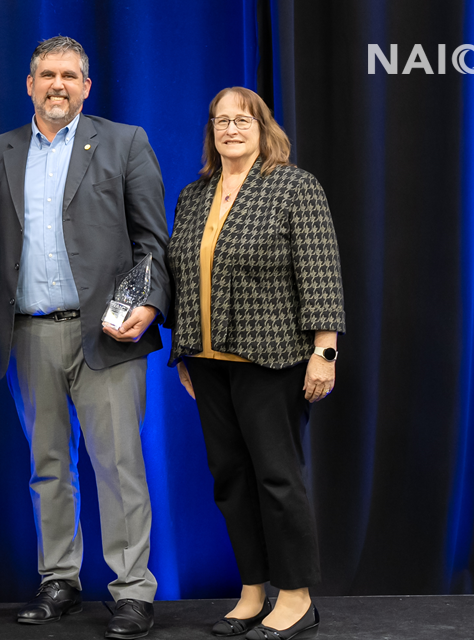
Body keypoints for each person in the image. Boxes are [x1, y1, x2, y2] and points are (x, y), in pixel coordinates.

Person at [0, 36, 170, 640]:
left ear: (87, 86)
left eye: (69, 75)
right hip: (30, 334)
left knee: (118, 466)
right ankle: (58, 579)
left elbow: (153, 244)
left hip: (108, 336)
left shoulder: (125, 142)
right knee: (47, 468)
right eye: (46, 75)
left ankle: (132, 589)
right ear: (29, 85)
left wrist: (153, 305)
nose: (57, 84)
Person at [167, 86, 344, 640]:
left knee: (276, 477)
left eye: (242, 119)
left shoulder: (295, 188)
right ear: (211, 132)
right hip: (207, 360)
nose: (231, 129)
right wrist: (184, 352)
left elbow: (321, 273)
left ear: (262, 127)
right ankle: (252, 592)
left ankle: (296, 597)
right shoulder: (194, 195)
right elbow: (181, 277)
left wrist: (325, 351)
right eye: (221, 120)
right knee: (230, 479)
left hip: (273, 358)